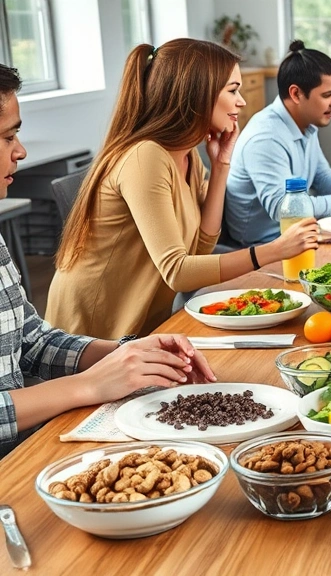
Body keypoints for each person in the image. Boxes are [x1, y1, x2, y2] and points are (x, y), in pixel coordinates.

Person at [0, 63, 216, 457]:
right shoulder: (146, 158)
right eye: (7, 136)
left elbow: (30, 341)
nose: (21, 151)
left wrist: (128, 352)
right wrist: (88, 385)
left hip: (20, 448)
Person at [46, 39, 319, 340]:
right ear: (198, 94)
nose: (241, 101)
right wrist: (274, 251)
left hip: (141, 332)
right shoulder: (145, 157)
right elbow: (178, 271)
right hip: (91, 336)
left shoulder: (186, 155)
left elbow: (199, 249)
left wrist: (221, 168)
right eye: (232, 90)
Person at [225, 40, 331, 246]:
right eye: (328, 95)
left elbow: (320, 174)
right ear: (296, 94)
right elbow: (281, 207)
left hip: (299, 233)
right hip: (264, 246)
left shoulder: (306, 124)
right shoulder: (265, 137)